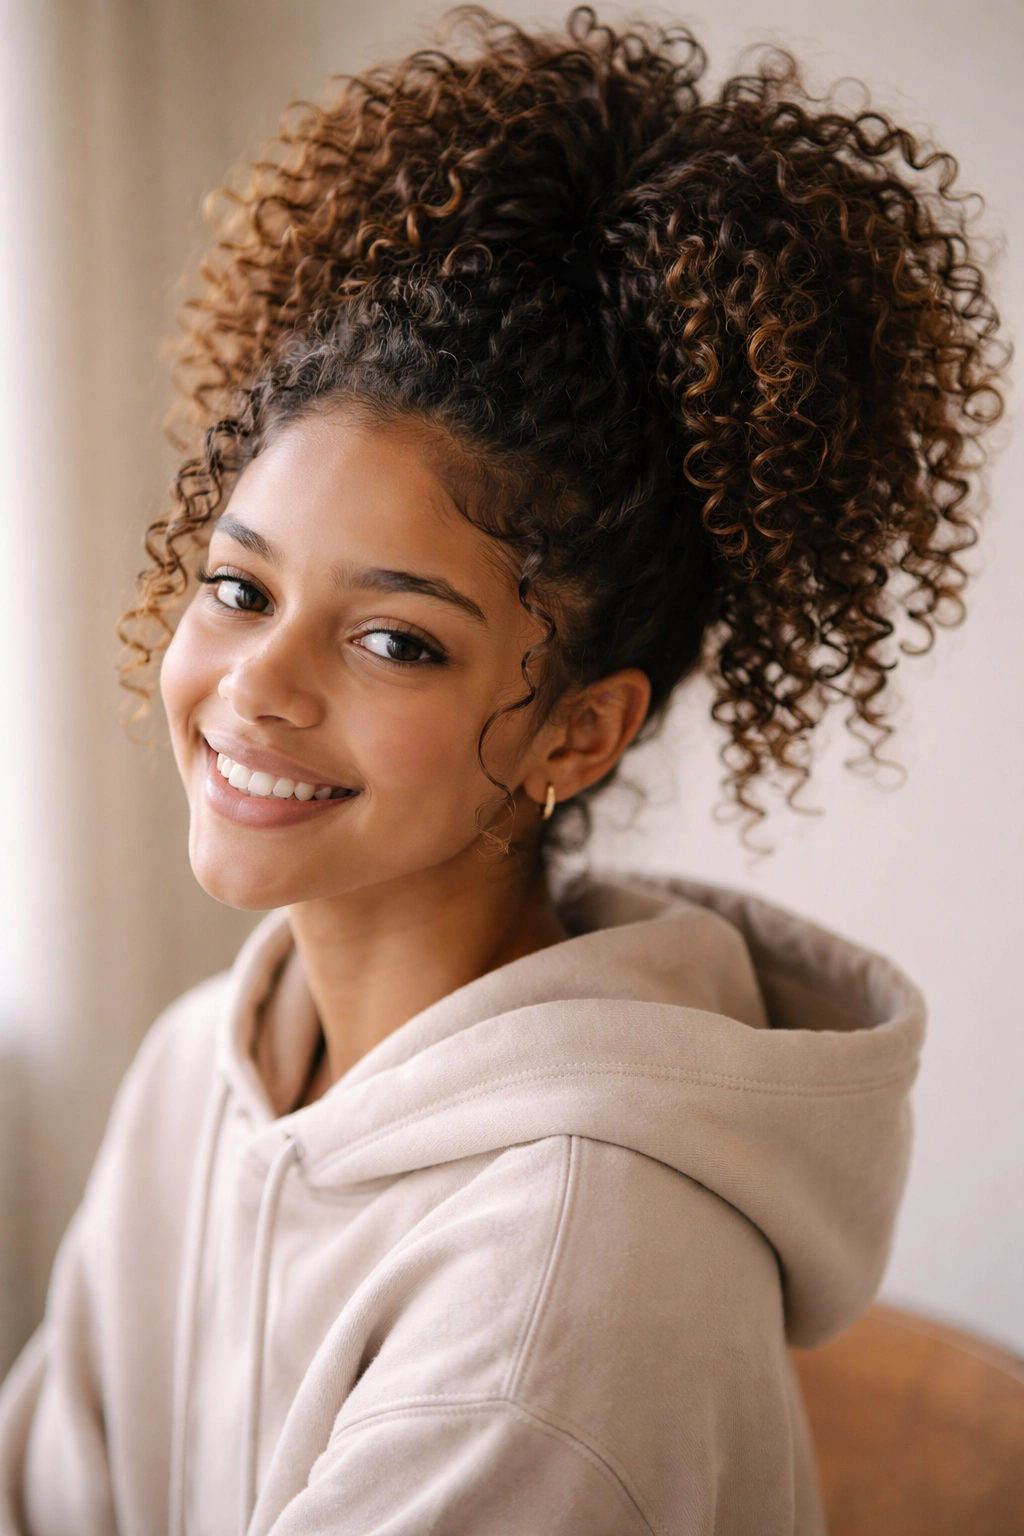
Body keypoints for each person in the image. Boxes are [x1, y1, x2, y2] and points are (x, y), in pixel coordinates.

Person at [0, 8, 1005, 1534]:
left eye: (397, 641)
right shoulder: (200, 1073)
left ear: (578, 729)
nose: (256, 688)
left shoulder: (566, 1288)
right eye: (241, 587)